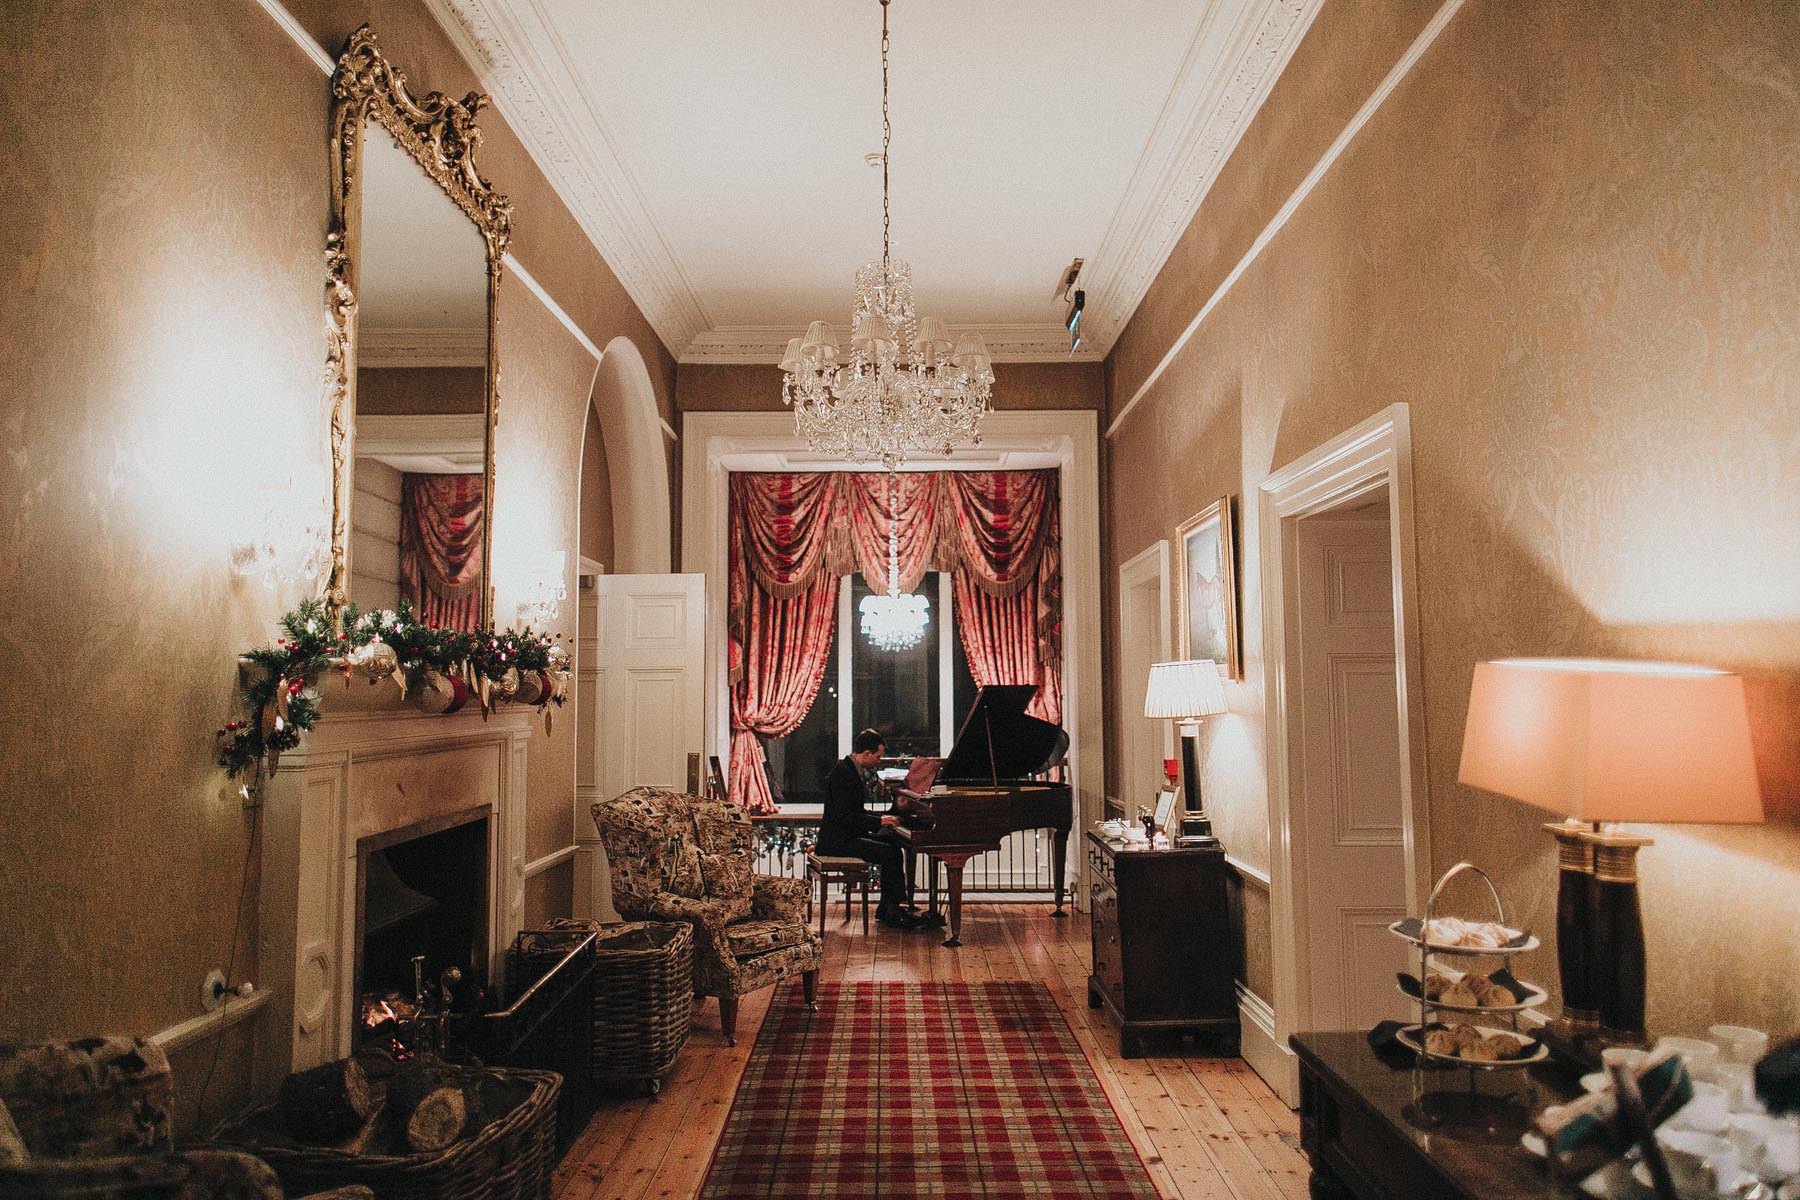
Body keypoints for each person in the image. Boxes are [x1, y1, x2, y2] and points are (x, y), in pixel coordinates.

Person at [818, 729, 922, 929]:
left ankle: (887, 907)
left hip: (844, 836)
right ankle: (893, 910)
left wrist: (883, 818)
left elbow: (854, 811)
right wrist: (879, 822)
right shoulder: (844, 774)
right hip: (836, 842)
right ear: (866, 753)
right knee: (889, 852)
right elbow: (845, 817)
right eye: (877, 756)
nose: (879, 761)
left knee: (891, 843)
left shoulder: (848, 769)